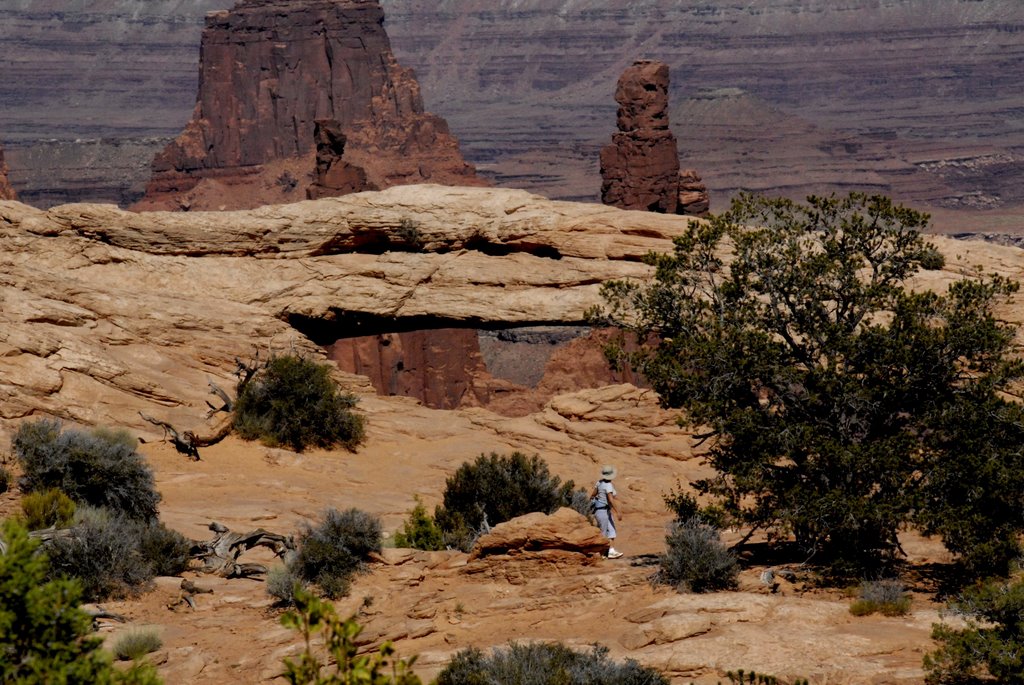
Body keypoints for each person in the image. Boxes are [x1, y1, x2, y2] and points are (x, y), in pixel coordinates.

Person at [592, 464, 623, 558]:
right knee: (604, 532)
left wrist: (592, 501)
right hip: (603, 511)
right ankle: (602, 554)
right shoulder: (608, 485)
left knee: (611, 530)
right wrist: (618, 511)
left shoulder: (599, 482)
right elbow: (610, 499)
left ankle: (611, 551)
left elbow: (594, 493)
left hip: (601, 510)